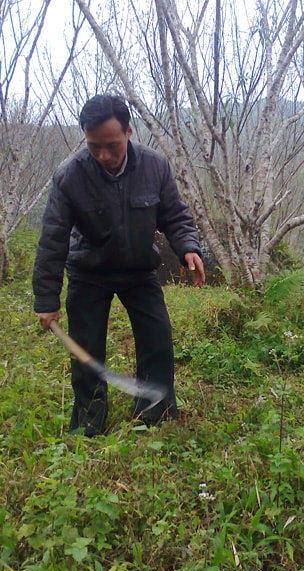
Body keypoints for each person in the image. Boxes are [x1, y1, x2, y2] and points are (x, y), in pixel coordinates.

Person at [32, 94, 205, 436]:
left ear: (128, 131)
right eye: (95, 147)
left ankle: (155, 415)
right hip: (88, 273)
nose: (104, 156)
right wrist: (46, 301)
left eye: (112, 145)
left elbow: (174, 214)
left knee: (157, 341)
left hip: (139, 270)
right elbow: (52, 240)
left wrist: (188, 247)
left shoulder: (155, 166)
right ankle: (89, 422)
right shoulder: (70, 175)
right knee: (86, 350)